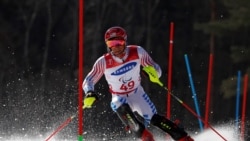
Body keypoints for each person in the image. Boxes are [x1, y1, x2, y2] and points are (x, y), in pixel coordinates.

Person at [82, 26, 194, 141]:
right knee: (121, 107)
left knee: (155, 119)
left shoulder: (137, 52)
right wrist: (89, 92)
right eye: (111, 43)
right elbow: (88, 80)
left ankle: (183, 138)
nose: (116, 47)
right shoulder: (103, 62)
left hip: (137, 93)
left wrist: (153, 73)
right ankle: (145, 137)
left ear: (125, 41)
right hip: (119, 96)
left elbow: (156, 68)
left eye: (119, 42)